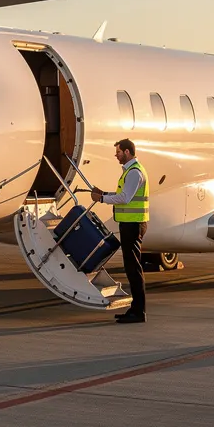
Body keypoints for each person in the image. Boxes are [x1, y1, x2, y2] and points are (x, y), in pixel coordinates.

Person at [91, 139, 149, 324]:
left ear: (127, 152)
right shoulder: (130, 172)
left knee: (134, 268)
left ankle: (139, 312)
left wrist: (101, 199)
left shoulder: (134, 173)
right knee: (131, 267)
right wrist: (105, 194)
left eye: (118, 152)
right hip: (129, 224)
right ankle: (135, 309)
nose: (116, 155)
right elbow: (124, 195)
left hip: (133, 225)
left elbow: (125, 198)